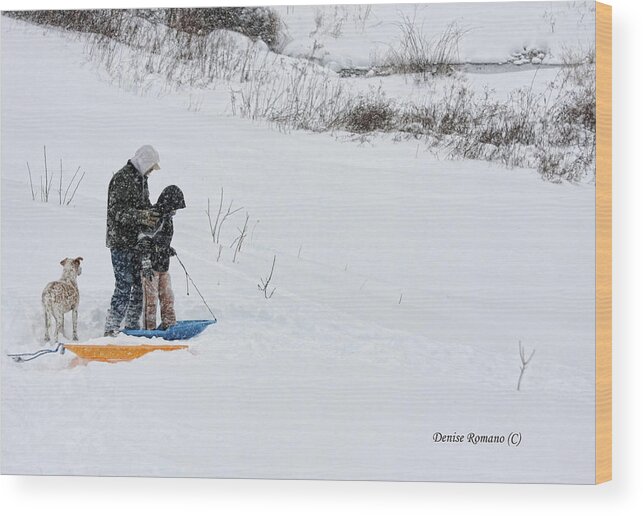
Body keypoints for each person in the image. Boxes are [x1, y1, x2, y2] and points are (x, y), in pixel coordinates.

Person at [104, 145, 162, 337]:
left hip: (136, 242)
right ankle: (111, 328)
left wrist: (156, 213)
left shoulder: (141, 180)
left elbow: (144, 206)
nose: (152, 171)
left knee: (138, 286)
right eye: (151, 167)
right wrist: (141, 216)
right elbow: (117, 211)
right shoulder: (122, 179)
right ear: (144, 162)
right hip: (120, 242)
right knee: (123, 286)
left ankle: (131, 328)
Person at [138, 185, 186, 330]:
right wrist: (146, 262)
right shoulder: (154, 216)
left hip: (164, 264)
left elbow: (161, 239)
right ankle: (150, 331)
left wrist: (167, 249)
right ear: (169, 203)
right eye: (174, 207)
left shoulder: (168, 217)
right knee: (151, 302)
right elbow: (143, 239)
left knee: (167, 299)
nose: (175, 211)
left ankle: (169, 326)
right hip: (150, 267)